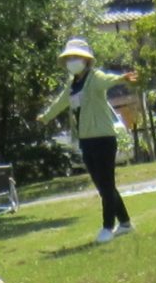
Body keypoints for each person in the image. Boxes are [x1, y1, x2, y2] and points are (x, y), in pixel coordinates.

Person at [39, 37, 137, 243]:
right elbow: (61, 102)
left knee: (106, 184)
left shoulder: (94, 78)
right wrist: (46, 117)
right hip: (86, 140)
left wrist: (121, 79)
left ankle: (108, 227)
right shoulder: (72, 84)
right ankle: (126, 223)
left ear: (86, 60)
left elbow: (107, 80)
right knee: (103, 185)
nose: (72, 61)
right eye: (69, 58)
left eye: (76, 57)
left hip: (103, 138)